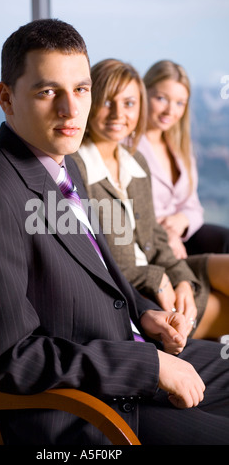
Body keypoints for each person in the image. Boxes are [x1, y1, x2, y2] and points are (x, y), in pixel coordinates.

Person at [0, 20, 229, 445]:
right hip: (85, 410)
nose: (71, 111)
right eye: (47, 92)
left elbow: (104, 272)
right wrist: (150, 367)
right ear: (6, 97)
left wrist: (145, 311)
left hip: (126, 355)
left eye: (80, 89)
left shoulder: (64, 162)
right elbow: (7, 360)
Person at [72, 58, 229, 341]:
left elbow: (154, 237)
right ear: (90, 102)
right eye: (108, 102)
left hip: (161, 270)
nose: (118, 113)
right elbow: (95, 257)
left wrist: (182, 278)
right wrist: (158, 279)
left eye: (129, 103)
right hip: (133, 292)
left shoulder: (135, 160)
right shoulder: (76, 168)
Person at [138, 60, 229, 258]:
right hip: (148, 239)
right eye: (162, 99)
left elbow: (194, 206)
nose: (171, 111)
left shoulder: (181, 148)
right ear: (144, 94)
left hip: (182, 234)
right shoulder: (127, 147)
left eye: (180, 103)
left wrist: (182, 219)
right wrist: (166, 234)